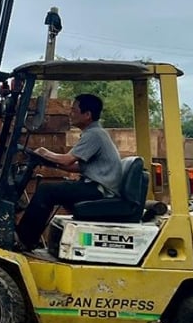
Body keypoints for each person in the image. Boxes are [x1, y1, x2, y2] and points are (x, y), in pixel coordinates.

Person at [16, 93, 122, 249]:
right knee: (50, 190)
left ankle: (24, 239)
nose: (70, 114)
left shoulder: (94, 135)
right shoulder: (94, 133)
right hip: (96, 187)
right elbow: (77, 167)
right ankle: (28, 238)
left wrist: (45, 153)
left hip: (100, 190)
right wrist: (50, 162)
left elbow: (67, 160)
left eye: (74, 110)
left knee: (46, 191)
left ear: (87, 115)